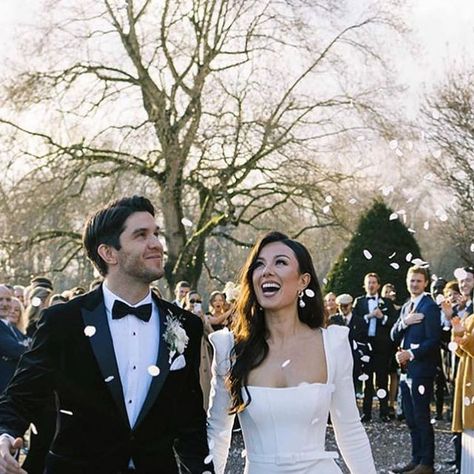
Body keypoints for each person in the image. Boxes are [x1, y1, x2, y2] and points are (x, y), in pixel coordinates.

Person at [0, 196, 213, 474]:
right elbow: (21, 396)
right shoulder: (64, 321)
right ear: (109, 253)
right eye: (141, 235)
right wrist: (4, 435)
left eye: (156, 234)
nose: (156, 244)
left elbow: (190, 422)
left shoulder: (184, 325)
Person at [207, 231, 376, 473]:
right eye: (259, 264)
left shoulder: (333, 345)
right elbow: (218, 434)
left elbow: (350, 430)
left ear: (303, 281)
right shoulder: (230, 348)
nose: (267, 271)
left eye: (281, 262)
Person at [390, 266, 441, 474]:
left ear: (426, 283)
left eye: (418, 281)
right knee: (410, 418)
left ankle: (426, 463)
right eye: (412, 280)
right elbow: (393, 335)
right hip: (406, 371)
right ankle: (415, 459)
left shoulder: (429, 307)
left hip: (422, 370)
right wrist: (404, 322)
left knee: (421, 417)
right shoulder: (406, 306)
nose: (414, 284)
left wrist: (410, 353)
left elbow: (433, 340)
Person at [352, 273, 397, 423]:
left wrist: (381, 317)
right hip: (365, 345)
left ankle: (384, 412)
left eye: (373, 283)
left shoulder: (386, 303)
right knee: (367, 380)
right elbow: (355, 321)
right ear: (365, 285)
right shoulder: (359, 302)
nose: (371, 285)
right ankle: (367, 413)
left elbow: (393, 322)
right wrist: (369, 316)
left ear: (378, 285)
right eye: (368, 283)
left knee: (382, 380)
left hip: (381, 345)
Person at [451, 313, 474, 474]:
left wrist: (464, 338)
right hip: (467, 374)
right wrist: (458, 333)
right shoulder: (470, 317)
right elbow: (459, 351)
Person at [183, 290, 213, 411]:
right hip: (188, 359)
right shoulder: (182, 316)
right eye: (192, 301)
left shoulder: (204, 318)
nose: (195, 303)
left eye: (198, 301)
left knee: (206, 391)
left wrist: (203, 322)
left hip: (204, 359)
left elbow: (213, 337)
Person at [0, 285, 28, 394]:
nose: (5, 304)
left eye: (8, 299)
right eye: (0, 299)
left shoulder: (10, 327)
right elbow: (15, 349)